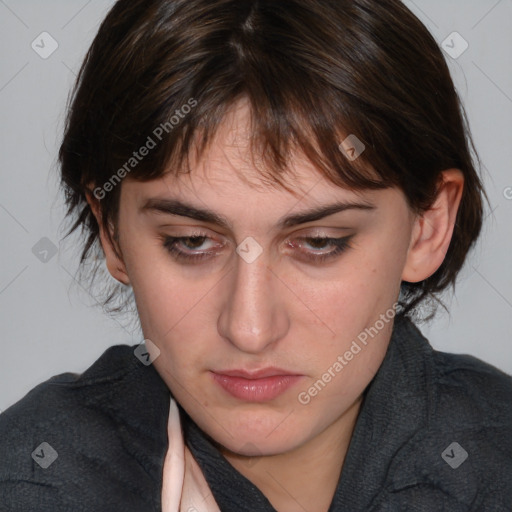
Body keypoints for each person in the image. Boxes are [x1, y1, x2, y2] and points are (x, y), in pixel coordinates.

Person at [1, 0, 511, 510]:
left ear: (428, 226)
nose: (249, 330)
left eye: (319, 243)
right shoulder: (28, 480)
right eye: (191, 242)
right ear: (110, 231)